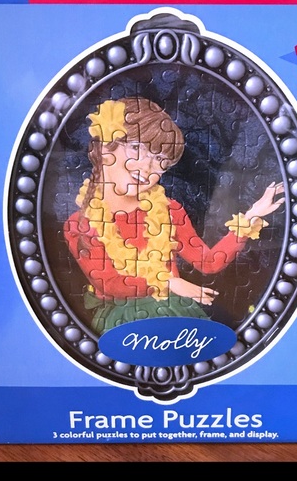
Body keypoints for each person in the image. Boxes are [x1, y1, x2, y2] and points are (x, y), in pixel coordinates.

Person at [63, 97, 285, 335]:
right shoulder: (79, 224)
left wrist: (252, 216)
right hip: (120, 323)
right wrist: (169, 282)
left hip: (174, 312)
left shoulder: (169, 210)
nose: (147, 168)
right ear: (106, 148)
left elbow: (208, 262)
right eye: (137, 148)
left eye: (160, 160)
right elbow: (109, 282)